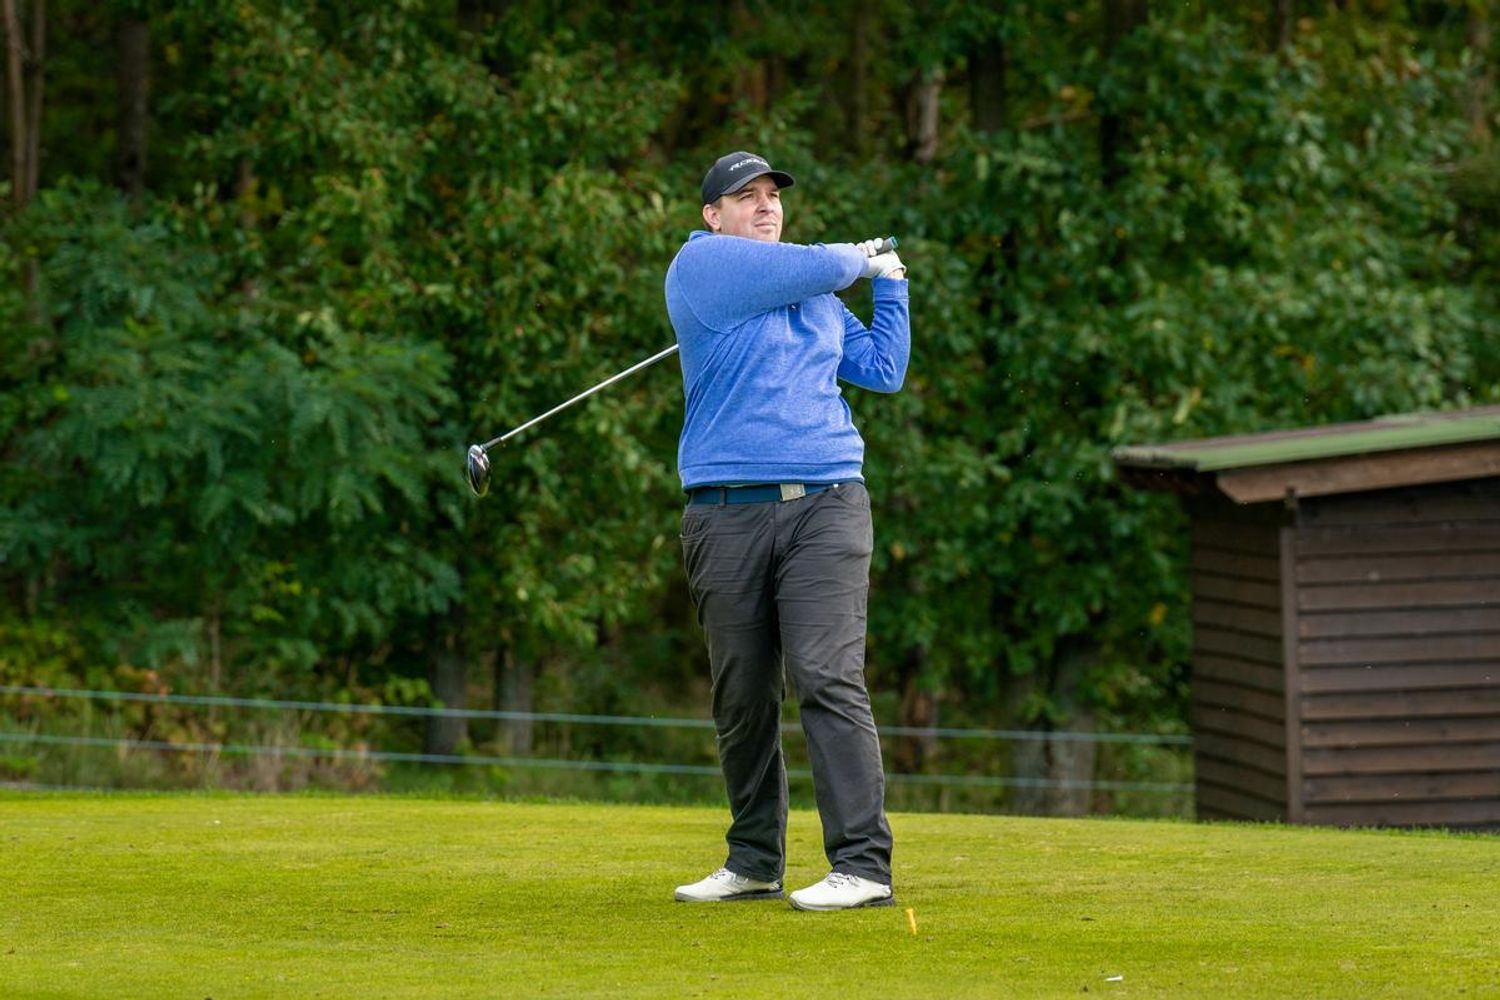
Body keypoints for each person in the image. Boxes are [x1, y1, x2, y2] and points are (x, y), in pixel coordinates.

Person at [665, 150, 909, 911]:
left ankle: (862, 866)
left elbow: (882, 368)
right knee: (742, 693)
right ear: (713, 216)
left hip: (826, 503)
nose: (766, 204)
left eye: (773, 194)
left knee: (826, 675)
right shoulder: (700, 267)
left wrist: (892, 284)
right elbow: (827, 264)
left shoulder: (816, 298)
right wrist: (856, 258)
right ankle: (753, 861)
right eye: (747, 196)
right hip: (723, 510)